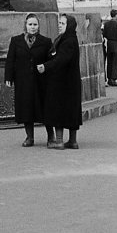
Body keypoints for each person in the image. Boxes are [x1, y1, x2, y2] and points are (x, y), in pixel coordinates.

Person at [4, 13, 54, 147]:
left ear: (39, 26)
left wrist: (46, 69)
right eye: (30, 24)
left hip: (41, 81)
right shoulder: (16, 41)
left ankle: (51, 137)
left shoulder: (46, 41)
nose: (32, 27)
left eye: (35, 24)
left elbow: (51, 61)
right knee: (26, 108)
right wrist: (8, 77)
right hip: (23, 80)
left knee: (44, 108)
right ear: (25, 25)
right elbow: (10, 60)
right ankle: (29, 137)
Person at [37, 14, 82, 150]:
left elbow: (61, 59)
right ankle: (72, 141)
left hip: (62, 82)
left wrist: (46, 66)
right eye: (60, 23)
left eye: (63, 23)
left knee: (58, 110)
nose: (60, 25)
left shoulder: (68, 41)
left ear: (69, 26)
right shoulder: (67, 39)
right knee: (71, 110)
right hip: (69, 82)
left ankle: (60, 141)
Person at [102, 9, 117, 87]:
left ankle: (109, 78)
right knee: (115, 61)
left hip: (109, 43)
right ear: (115, 15)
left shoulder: (106, 24)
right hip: (116, 42)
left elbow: (104, 33)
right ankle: (113, 78)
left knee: (109, 61)